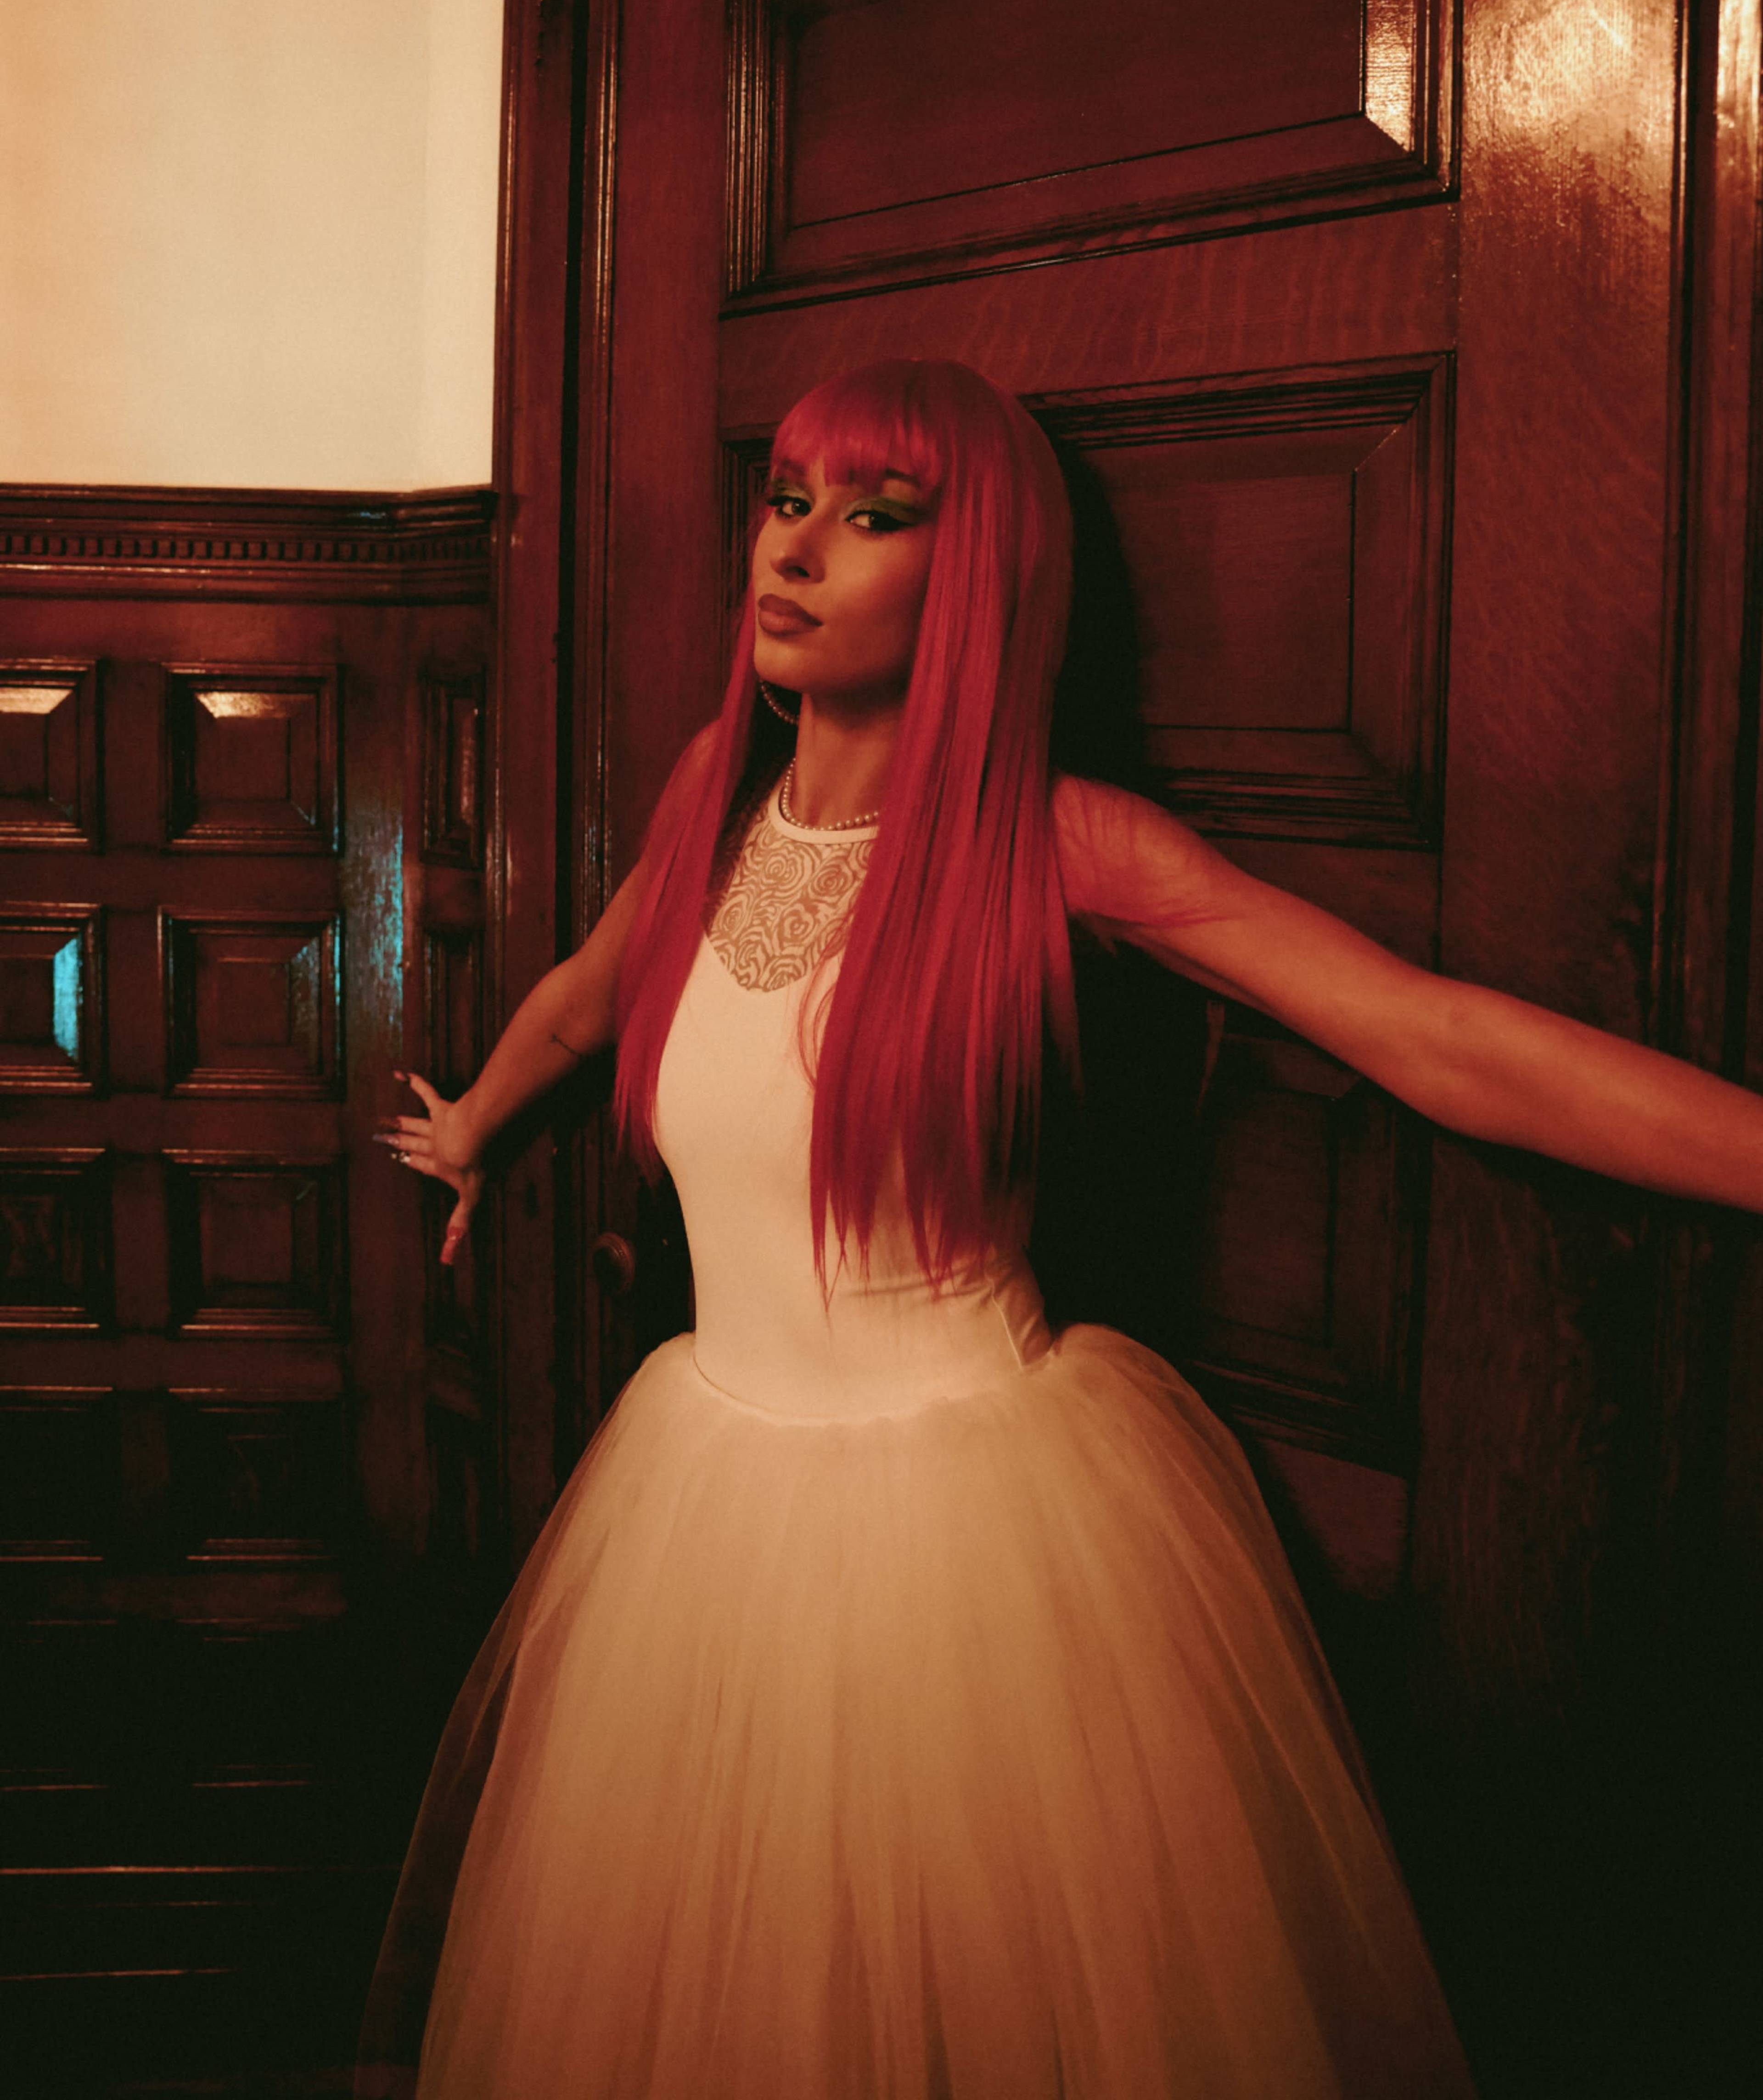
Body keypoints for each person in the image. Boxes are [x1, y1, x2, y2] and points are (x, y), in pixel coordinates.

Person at [361, 357, 1763, 2100]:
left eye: (874, 518)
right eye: (787, 500)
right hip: (702, 1501)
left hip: (979, 1546)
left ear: (978, 584)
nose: (794, 553)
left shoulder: (1053, 845)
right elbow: (589, 995)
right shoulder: (718, 787)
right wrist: (483, 1122)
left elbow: (1434, 1037)